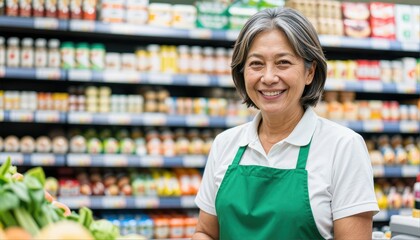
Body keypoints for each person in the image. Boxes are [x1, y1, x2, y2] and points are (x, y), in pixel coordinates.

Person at [192, 7, 379, 240]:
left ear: (310, 72)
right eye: (256, 64)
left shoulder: (343, 147)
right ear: (242, 72)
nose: (268, 77)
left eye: (283, 63)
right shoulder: (225, 144)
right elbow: (205, 232)